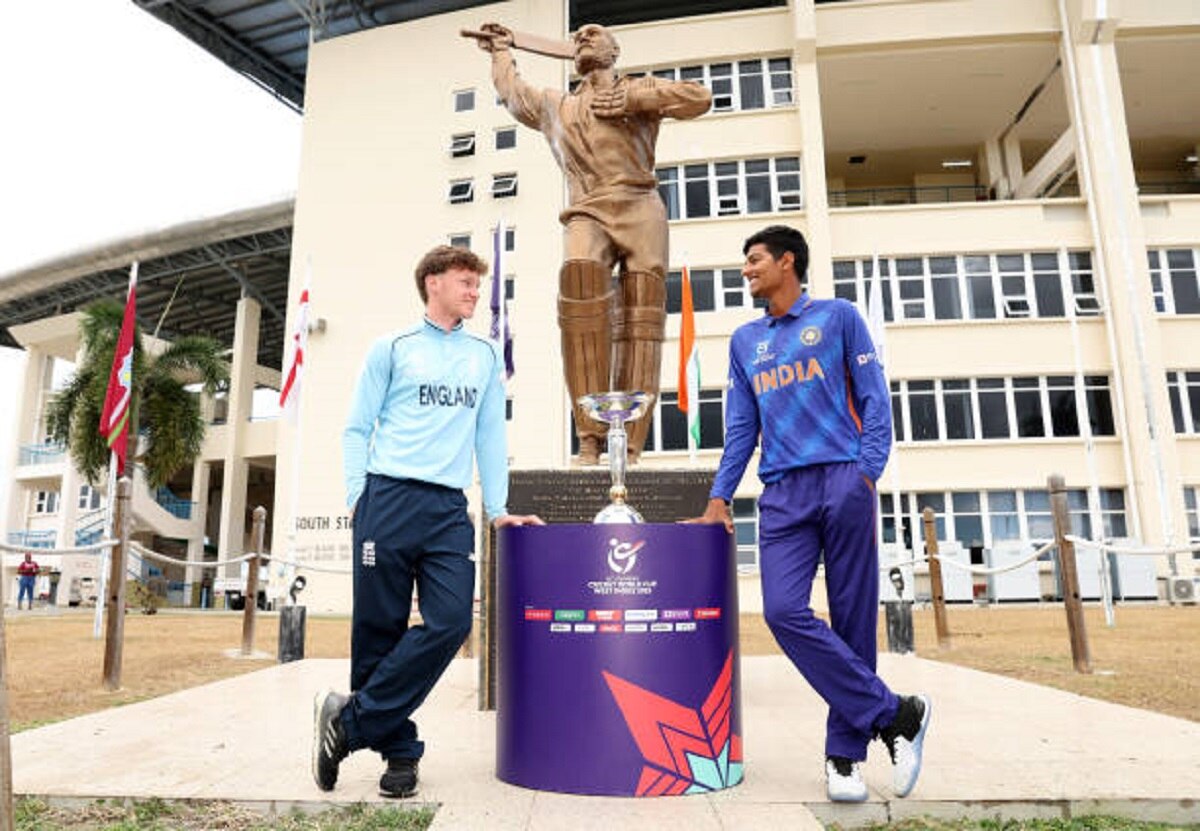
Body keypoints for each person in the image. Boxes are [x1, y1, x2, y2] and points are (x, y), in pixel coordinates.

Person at [692, 226, 931, 803]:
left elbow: (875, 398)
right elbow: (741, 426)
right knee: (782, 611)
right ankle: (894, 714)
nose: (746, 271)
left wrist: (866, 472)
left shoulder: (840, 317)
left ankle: (844, 757)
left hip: (843, 481)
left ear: (786, 261)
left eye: (754, 261)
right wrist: (720, 494)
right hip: (782, 495)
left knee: (852, 619)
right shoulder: (746, 340)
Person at [313, 245, 543, 799]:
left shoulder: (485, 356)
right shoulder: (391, 348)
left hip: (446, 509)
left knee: (449, 623)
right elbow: (355, 428)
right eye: (465, 282)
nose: (474, 292)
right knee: (379, 631)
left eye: (476, 284)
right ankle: (400, 754)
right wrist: (356, 495)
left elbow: (490, 434)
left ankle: (346, 724)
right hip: (386, 499)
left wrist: (497, 508)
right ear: (432, 283)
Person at [472, 22, 711, 463]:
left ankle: (632, 443)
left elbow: (700, 98)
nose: (583, 37)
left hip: (641, 205)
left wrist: (639, 97)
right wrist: (501, 52)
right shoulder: (556, 105)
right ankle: (590, 436)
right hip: (587, 208)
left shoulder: (639, 90)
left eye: (594, 33)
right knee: (579, 282)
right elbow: (513, 93)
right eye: (578, 34)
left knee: (642, 318)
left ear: (614, 50)